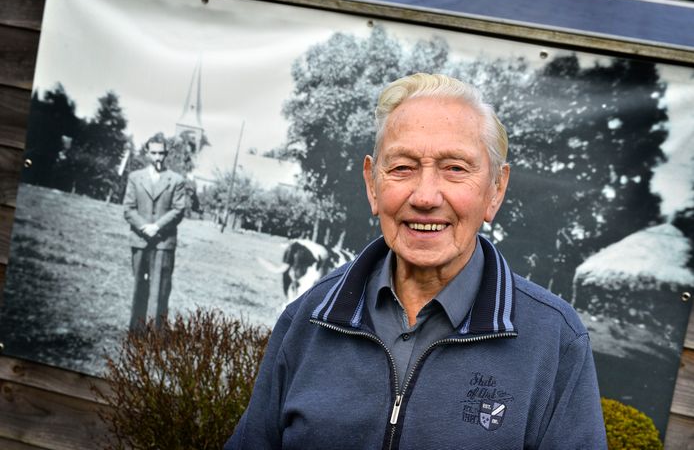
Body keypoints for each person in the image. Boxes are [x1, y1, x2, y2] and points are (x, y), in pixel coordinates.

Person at [225, 73, 607, 449]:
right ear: (373, 185)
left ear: (496, 190)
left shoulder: (554, 340)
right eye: (402, 167)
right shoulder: (308, 319)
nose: (425, 196)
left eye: (455, 168)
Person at [124, 136, 186, 332]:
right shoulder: (135, 177)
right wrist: (144, 227)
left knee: (160, 289)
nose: (157, 156)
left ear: (166, 154)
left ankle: (157, 336)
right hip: (140, 240)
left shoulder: (176, 180)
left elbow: (178, 210)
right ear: (147, 153)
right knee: (139, 288)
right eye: (154, 152)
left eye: (161, 153)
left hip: (163, 242)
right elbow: (128, 209)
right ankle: (136, 332)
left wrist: (157, 226)